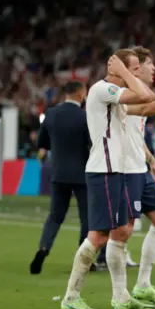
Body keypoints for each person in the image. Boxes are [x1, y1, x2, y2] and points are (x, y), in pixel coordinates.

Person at [60, 50, 155, 309]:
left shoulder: (115, 96)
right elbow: (146, 95)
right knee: (99, 234)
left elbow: (147, 102)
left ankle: (121, 296)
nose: (137, 73)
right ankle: (71, 295)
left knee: (120, 231)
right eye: (133, 68)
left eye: (137, 69)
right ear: (115, 69)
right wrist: (125, 73)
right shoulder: (103, 89)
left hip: (116, 171)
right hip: (103, 170)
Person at [121, 46, 155, 305]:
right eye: (149, 64)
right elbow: (145, 109)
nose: (154, 69)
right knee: (122, 231)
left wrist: (152, 162)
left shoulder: (137, 97)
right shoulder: (124, 96)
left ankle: (142, 284)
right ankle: (119, 293)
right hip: (124, 170)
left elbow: (135, 136)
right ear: (136, 68)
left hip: (141, 169)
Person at [30, 81, 90, 274]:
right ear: (81, 94)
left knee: (55, 216)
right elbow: (92, 144)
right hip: (82, 173)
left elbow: (42, 142)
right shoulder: (85, 116)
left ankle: (44, 247)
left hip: (58, 172)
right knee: (87, 218)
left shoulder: (51, 114)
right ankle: (83, 260)